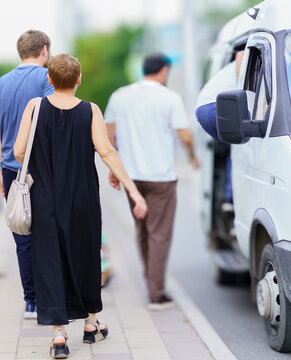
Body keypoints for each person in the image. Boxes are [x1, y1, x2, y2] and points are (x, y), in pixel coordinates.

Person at [13, 54, 148, 359]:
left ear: (49, 80)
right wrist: (133, 191)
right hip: (82, 199)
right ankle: (90, 323)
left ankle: (59, 337)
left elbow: (19, 150)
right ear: (79, 79)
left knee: (50, 262)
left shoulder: (35, 107)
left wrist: (40, 171)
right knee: (85, 257)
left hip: (44, 198)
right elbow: (107, 151)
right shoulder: (91, 110)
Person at [105, 53, 199, 310]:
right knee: (160, 234)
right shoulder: (170, 98)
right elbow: (185, 135)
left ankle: (151, 280)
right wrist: (192, 156)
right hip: (161, 177)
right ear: (164, 71)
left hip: (132, 178)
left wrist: (115, 168)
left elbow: (108, 136)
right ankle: (156, 293)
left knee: (143, 229)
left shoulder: (119, 96)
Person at [0, 30, 54, 319]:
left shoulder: (0, 83)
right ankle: (52, 295)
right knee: (47, 231)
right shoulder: (44, 78)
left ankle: (32, 302)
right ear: (45, 50)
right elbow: (54, 116)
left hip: (8, 167)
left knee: (21, 233)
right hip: (38, 165)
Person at [196, 51, 244, 210]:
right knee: (246, 146)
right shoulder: (251, 52)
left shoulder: (225, 71)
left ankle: (230, 201)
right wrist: (241, 88)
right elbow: (240, 54)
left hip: (203, 108)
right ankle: (233, 200)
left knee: (237, 149)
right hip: (217, 105)